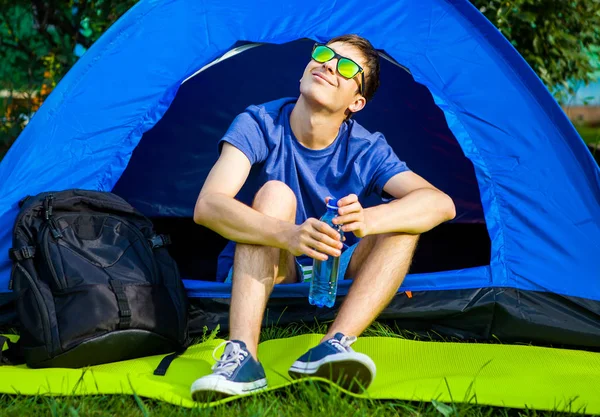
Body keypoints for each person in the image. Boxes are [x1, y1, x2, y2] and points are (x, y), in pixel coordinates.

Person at [190, 34, 456, 400]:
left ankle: (333, 345)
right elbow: (208, 206)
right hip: (274, 263)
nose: (329, 65)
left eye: (346, 68)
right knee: (275, 193)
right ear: (306, 67)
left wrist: (370, 219)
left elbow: (440, 204)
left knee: (404, 221)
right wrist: (288, 235)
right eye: (323, 54)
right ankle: (243, 357)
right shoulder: (260, 121)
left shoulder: (365, 146)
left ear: (356, 102)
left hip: (335, 264)